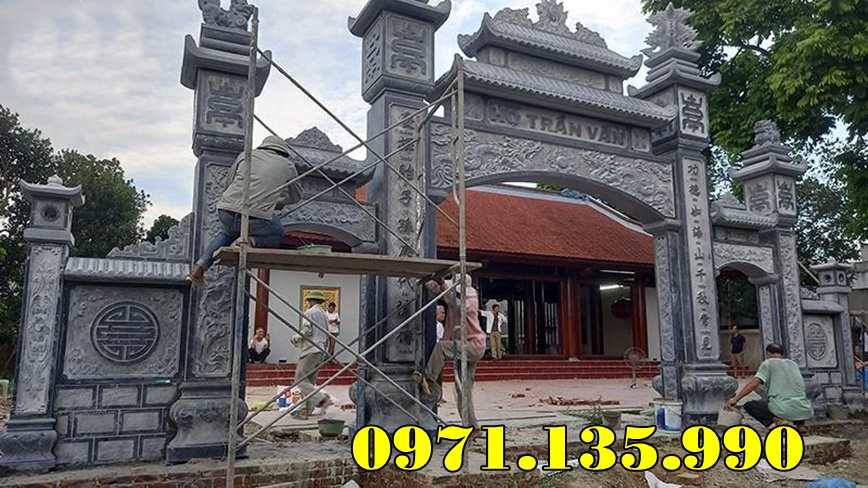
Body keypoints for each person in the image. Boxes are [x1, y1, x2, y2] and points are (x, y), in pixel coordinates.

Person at [187, 135, 303, 285]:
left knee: (226, 233)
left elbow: (229, 182)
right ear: (283, 151)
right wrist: (277, 201)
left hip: (226, 210)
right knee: (277, 232)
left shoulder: (246, 155)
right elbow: (296, 196)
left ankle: (200, 265)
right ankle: (248, 241)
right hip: (256, 216)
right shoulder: (287, 165)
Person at [414, 275, 487, 428]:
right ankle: (472, 426)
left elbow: (460, 306)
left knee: (442, 347)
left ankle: (428, 378)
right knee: (462, 391)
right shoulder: (454, 299)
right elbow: (441, 292)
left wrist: (444, 286)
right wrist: (427, 279)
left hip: (473, 345)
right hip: (464, 346)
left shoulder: (470, 300)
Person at [726, 343, 814, 427]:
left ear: (767, 353)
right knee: (793, 399)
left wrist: (735, 399)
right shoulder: (793, 364)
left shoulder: (768, 363)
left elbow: (754, 383)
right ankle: (801, 425)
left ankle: (778, 422)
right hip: (804, 410)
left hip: (783, 409)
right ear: (782, 354)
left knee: (750, 405)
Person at [290, 290, 334, 419]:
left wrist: (296, 337)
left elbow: (307, 330)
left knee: (300, 380)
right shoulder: (324, 315)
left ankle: (322, 399)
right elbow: (328, 333)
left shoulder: (309, 312)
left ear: (311, 301)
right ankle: (305, 410)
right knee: (309, 382)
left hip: (311, 349)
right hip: (321, 349)